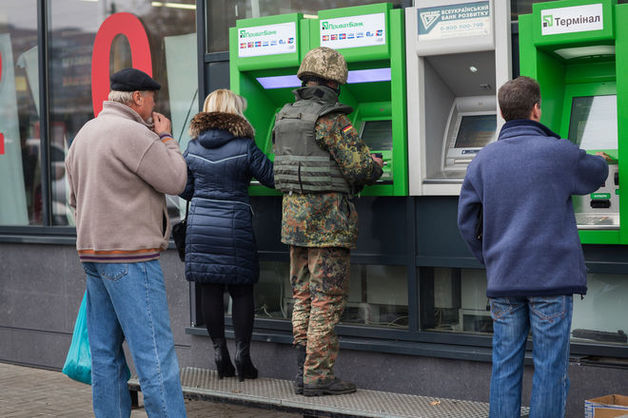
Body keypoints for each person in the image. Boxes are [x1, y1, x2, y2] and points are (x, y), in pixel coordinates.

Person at [457, 76, 609, 417]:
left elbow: (466, 221)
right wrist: (599, 157)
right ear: (536, 108)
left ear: (502, 111)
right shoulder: (558, 152)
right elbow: (596, 171)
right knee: (550, 369)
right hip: (551, 281)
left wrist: (491, 259)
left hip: (505, 280)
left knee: (505, 365)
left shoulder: (483, 160)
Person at [65, 68, 187, 417]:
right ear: (137, 98)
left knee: (104, 355)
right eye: (152, 99)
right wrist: (165, 138)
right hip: (131, 258)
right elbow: (176, 179)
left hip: (94, 257)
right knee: (155, 357)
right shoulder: (132, 132)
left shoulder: (85, 133)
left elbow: (75, 199)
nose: (154, 107)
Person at [272, 47, 383, 397]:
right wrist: (376, 164)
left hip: (294, 224)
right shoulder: (330, 118)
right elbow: (360, 168)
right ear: (336, 81)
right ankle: (318, 375)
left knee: (303, 295)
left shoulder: (284, 115)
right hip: (328, 224)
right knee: (326, 299)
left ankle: (303, 370)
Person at [180, 89, 274, 381]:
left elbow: (184, 188)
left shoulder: (193, 146)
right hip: (234, 226)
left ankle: (219, 356)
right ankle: (242, 358)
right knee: (242, 290)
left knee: (210, 289)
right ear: (236, 112)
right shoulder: (245, 145)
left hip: (202, 226)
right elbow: (271, 177)